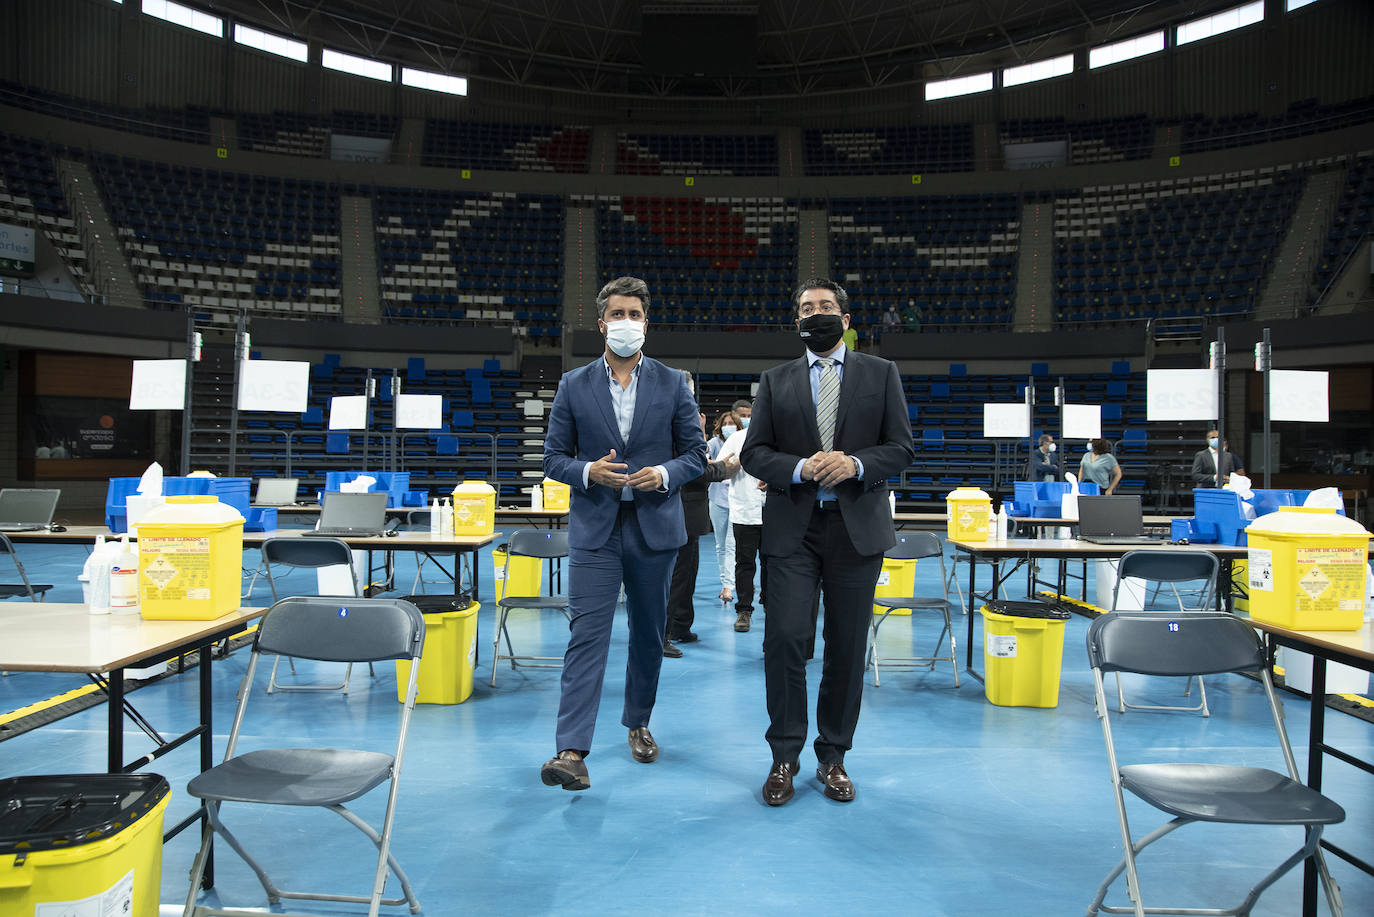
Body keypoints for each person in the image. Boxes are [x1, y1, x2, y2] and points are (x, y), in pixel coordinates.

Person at [740, 277, 915, 807]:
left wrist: (855, 463)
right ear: (797, 321)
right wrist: (797, 467)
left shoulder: (881, 374)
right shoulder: (776, 379)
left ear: (844, 319)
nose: (815, 314)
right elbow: (755, 453)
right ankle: (784, 754)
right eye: (805, 308)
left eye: (825, 306)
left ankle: (833, 754)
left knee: (845, 646)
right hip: (794, 528)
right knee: (786, 639)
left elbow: (901, 447)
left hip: (856, 530)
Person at [539, 276, 708, 792]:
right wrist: (589, 471)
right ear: (601, 323)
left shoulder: (674, 382)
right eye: (619, 314)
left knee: (647, 635)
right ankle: (571, 750)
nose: (627, 323)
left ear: (646, 323)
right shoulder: (573, 384)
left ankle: (637, 721)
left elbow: (695, 455)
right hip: (596, 528)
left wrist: (665, 474)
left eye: (635, 314)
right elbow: (552, 458)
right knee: (586, 635)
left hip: (654, 527)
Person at [666, 394, 735, 651]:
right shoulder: (672, 432)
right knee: (675, 578)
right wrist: (723, 469)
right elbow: (694, 469)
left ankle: (681, 627)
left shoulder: (688, 432)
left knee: (687, 576)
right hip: (676, 513)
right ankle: (664, 633)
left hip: (691, 516)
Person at [716, 421, 767, 633]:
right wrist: (733, 467)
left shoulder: (782, 435)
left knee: (774, 563)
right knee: (744, 564)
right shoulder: (737, 439)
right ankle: (744, 610)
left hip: (777, 512)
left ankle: (773, 606)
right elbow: (720, 470)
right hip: (744, 510)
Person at [706, 410, 741, 609]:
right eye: (726, 423)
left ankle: (729, 586)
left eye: (733, 423)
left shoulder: (743, 441)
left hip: (737, 500)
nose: (729, 426)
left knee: (731, 544)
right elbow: (702, 459)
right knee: (720, 545)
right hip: (717, 499)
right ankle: (725, 582)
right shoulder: (713, 444)